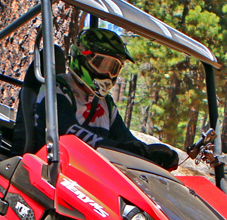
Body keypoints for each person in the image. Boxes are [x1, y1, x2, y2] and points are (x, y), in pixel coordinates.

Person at [22, 28, 180, 170]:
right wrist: (117, 148)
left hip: (90, 175)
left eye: (114, 68)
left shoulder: (106, 103)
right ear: (83, 57)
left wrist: (150, 155)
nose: (109, 75)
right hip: (52, 171)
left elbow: (125, 139)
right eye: (103, 65)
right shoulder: (57, 87)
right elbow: (67, 133)